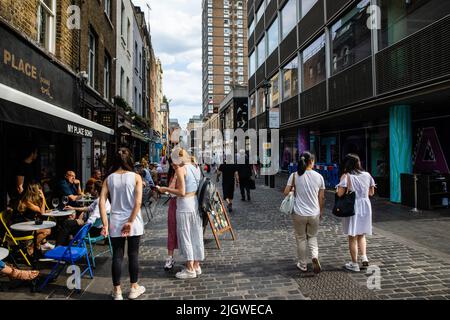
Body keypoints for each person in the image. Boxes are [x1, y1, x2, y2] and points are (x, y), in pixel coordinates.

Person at [99, 148, 145, 300]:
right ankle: (133, 288)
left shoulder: (109, 178)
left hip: (116, 221)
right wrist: (131, 221)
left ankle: (117, 291)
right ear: (129, 160)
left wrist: (105, 224)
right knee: (133, 255)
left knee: (117, 256)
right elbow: (138, 202)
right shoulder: (136, 177)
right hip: (134, 221)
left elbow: (101, 202)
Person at [157, 148, 204, 279]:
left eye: (172, 163)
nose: (172, 166)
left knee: (186, 236)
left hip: (184, 205)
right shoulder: (195, 166)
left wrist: (165, 189)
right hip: (195, 203)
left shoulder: (180, 169)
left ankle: (189, 269)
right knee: (196, 235)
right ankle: (196, 265)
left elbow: (182, 192)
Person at [284, 152, 325, 274]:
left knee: (301, 238)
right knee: (312, 236)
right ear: (311, 161)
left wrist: (293, 189)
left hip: (299, 213)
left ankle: (303, 264)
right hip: (314, 213)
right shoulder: (319, 177)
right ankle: (314, 256)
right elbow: (321, 197)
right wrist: (321, 211)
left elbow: (286, 192)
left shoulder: (294, 176)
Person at [337, 153, 375, 272]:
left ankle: (354, 263)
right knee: (361, 234)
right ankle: (364, 257)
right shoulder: (367, 175)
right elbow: (371, 193)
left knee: (352, 236)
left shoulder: (346, 176)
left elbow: (340, 194)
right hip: (365, 205)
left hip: (353, 206)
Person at [57, 181, 111, 246]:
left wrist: (82, 223)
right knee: (69, 224)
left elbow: (92, 219)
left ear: (96, 191)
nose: (91, 190)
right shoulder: (103, 199)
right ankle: (64, 246)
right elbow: (88, 208)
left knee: (66, 223)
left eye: (92, 188)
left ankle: (59, 247)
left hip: (92, 231)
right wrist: (73, 208)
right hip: (97, 229)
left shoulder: (99, 202)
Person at [14, 184, 54, 254]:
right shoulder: (27, 201)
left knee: (43, 230)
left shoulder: (30, 200)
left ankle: (36, 248)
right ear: (34, 191)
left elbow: (42, 211)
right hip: (20, 229)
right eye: (39, 189)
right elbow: (42, 212)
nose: (40, 191)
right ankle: (31, 248)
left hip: (27, 225)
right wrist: (43, 198)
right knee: (47, 230)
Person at [163, 157, 178, 271]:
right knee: (172, 231)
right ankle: (170, 257)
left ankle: (191, 260)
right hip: (174, 204)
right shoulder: (173, 174)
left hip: (183, 205)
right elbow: (170, 190)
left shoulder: (185, 170)